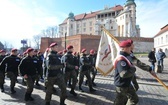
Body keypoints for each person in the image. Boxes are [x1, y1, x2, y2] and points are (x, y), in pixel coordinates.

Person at [113, 40, 138, 105]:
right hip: (121, 85)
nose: (131, 49)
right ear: (125, 48)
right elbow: (123, 74)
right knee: (119, 103)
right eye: (130, 48)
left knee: (134, 99)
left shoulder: (125, 57)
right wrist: (133, 69)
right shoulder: (121, 59)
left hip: (127, 83)